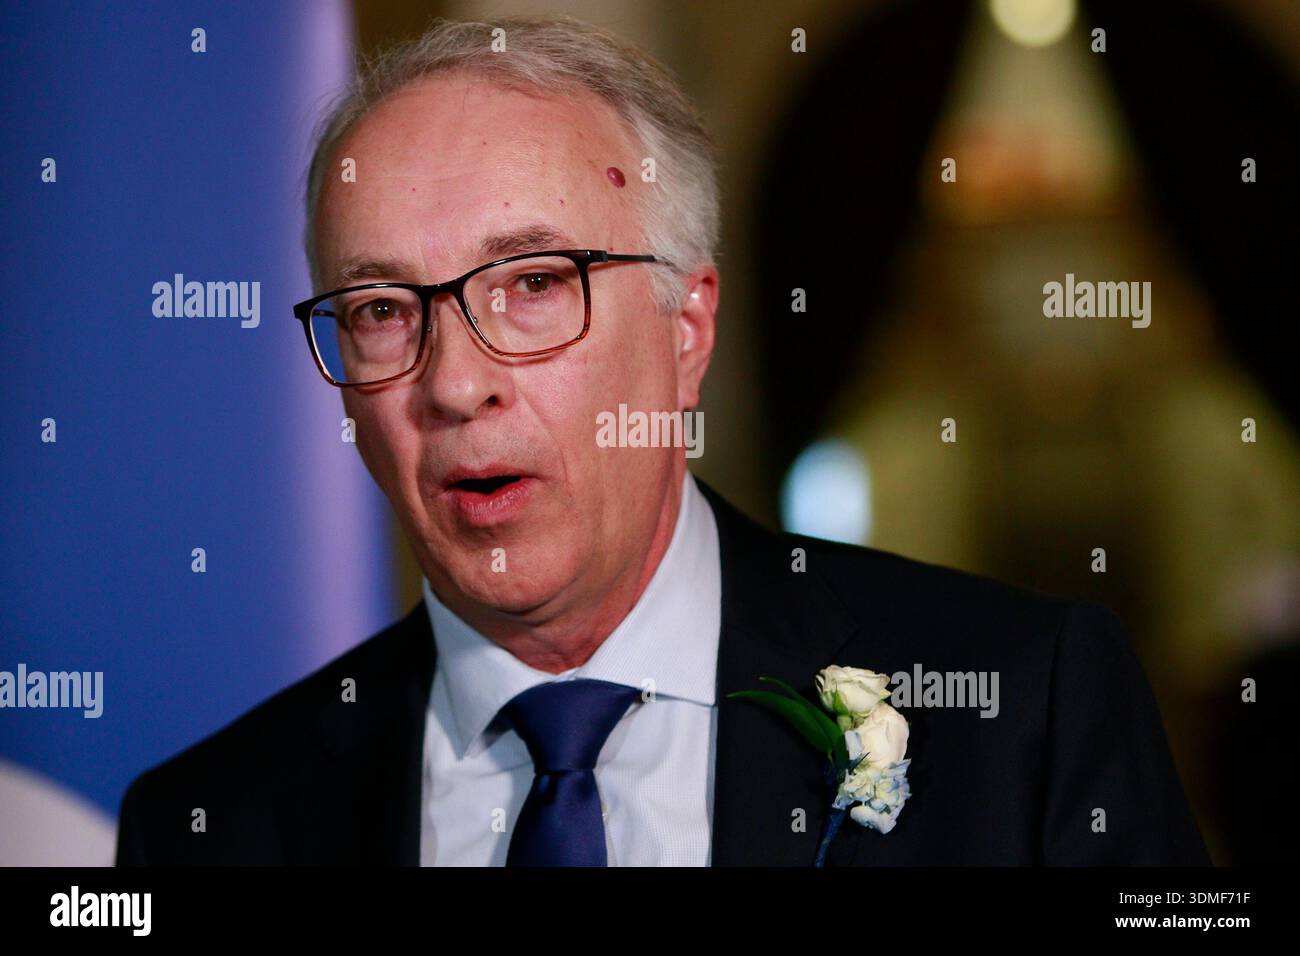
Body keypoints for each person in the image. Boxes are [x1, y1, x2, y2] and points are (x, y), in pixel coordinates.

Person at [115, 14, 1209, 867]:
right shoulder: (212, 822)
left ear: (685, 331)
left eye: (533, 284)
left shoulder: (1026, 711)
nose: (453, 383)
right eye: (381, 310)